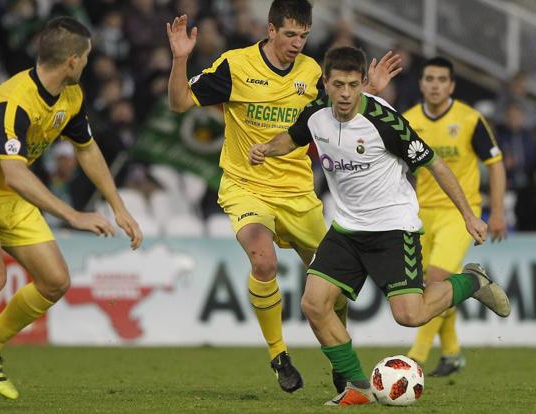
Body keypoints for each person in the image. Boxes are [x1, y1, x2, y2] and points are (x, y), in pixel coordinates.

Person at [248, 46, 510, 406]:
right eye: (337, 84)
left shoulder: (384, 121)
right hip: (347, 229)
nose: (344, 94)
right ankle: (358, 386)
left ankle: (472, 281)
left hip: (393, 229)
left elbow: (434, 164)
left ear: (362, 85)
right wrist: (266, 147)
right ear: (324, 83)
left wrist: (468, 214)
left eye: (353, 85)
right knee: (314, 304)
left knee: (410, 315)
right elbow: (291, 138)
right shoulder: (315, 115)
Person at [166, 0, 401, 393]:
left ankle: (339, 358)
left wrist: (370, 90)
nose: (297, 42)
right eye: (290, 34)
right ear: (271, 29)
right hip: (246, 186)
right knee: (264, 262)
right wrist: (179, 60)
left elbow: (342, 110)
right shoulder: (235, 66)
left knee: (335, 285)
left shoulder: (312, 72)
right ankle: (279, 356)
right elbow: (177, 104)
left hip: (298, 192)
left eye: (304, 35)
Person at [0, 17, 143, 414]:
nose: (88, 62)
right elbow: (14, 172)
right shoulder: (13, 102)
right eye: (88, 56)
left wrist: (117, 204)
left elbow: (86, 148)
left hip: (9, 194)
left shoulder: (70, 95)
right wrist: (72, 215)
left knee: (55, 281)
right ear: (73, 60)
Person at [403, 57, 507, 376]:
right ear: (421, 84)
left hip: (460, 214)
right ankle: (451, 352)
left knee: (435, 280)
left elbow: (495, 164)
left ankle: (414, 358)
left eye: (441, 79)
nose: (435, 85)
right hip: (420, 215)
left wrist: (498, 210)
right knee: (431, 289)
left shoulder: (469, 119)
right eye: (429, 79)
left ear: (451, 85)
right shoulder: (406, 120)